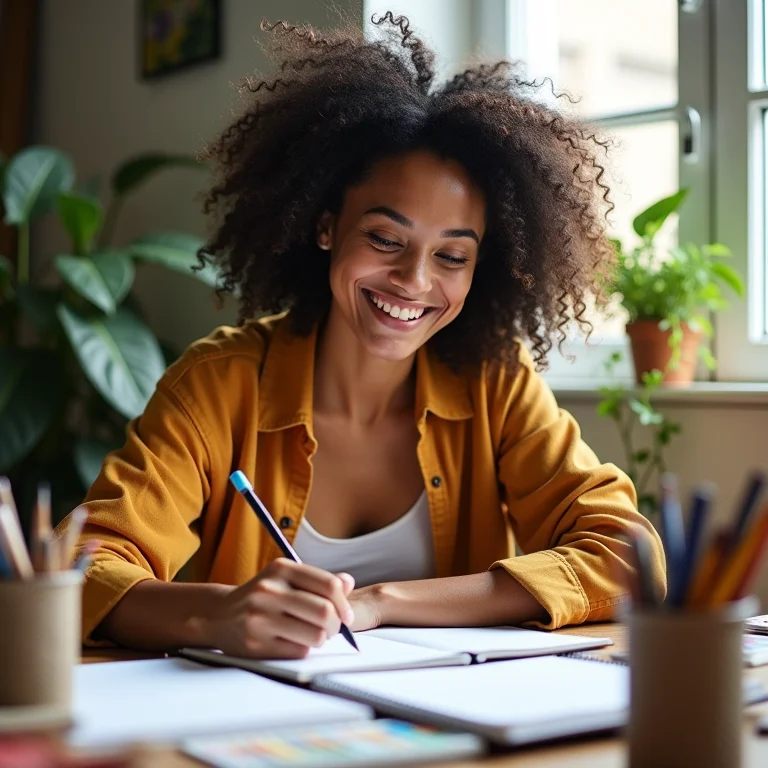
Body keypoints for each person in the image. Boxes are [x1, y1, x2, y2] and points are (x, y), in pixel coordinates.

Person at [57, 13, 666, 658]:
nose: (414, 280)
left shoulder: (496, 382)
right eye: (384, 238)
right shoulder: (219, 384)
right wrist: (217, 615)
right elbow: (78, 569)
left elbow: (628, 556)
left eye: (451, 256)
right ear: (326, 227)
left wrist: (382, 603)